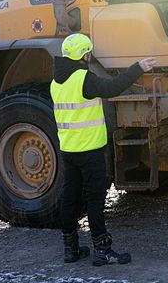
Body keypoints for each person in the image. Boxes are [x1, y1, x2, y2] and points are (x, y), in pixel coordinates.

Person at [50, 33, 156, 266]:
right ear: (83, 55)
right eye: (88, 52)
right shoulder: (83, 78)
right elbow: (113, 87)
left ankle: (71, 249)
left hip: (69, 150)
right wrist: (138, 68)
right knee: (95, 199)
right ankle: (102, 250)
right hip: (89, 151)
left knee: (69, 198)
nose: (90, 56)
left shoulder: (56, 82)